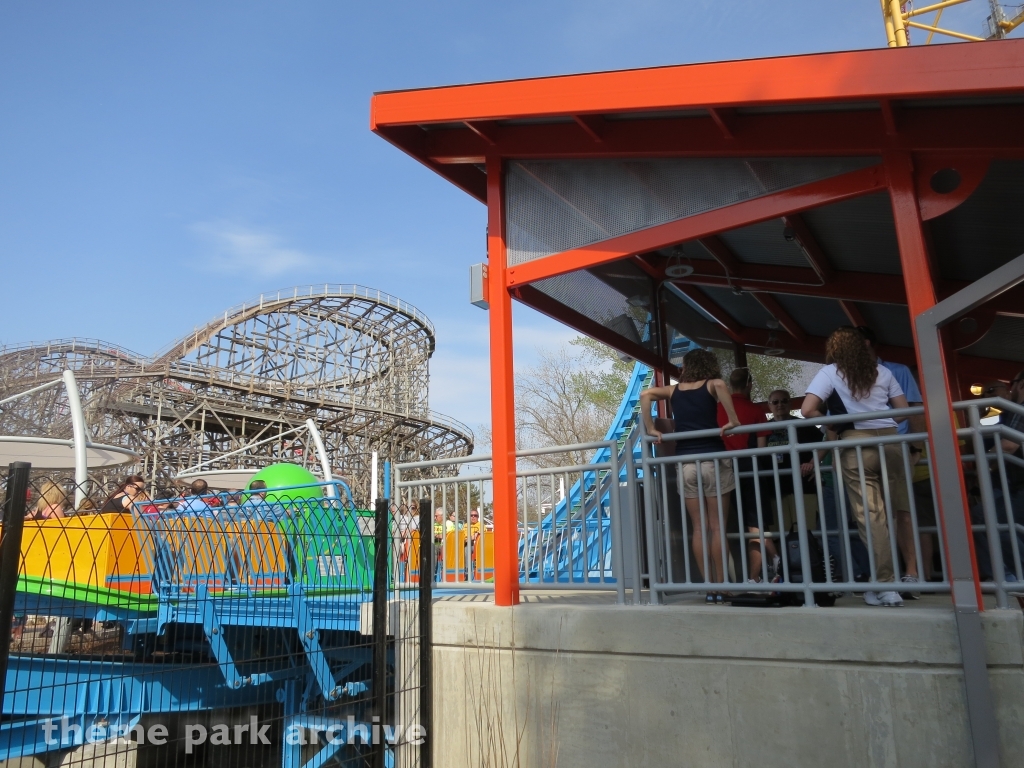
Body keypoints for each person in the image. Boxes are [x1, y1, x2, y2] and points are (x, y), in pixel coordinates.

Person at [802, 326, 912, 607]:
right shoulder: (882, 372)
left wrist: (835, 421)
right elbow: (902, 409)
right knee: (894, 514)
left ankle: (886, 585)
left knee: (870, 516)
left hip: (856, 443)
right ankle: (904, 579)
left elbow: (807, 409)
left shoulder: (830, 372)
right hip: (890, 442)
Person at [641, 348, 740, 602]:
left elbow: (645, 393)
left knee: (699, 527)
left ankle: (708, 586)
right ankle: (722, 585)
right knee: (717, 526)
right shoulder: (712, 384)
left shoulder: (674, 391)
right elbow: (719, 385)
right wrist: (731, 420)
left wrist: (651, 427)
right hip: (713, 459)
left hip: (686, 463)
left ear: (687, 367)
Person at [858, 326, 928, 596]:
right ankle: (889, 578)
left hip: (896, 447)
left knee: (902, 512)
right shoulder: (850, 375)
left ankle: (911, 573)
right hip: (866, 448)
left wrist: (915, 446)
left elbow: (914, 410)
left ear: (865, 343)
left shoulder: (897, 370)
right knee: (875, 515)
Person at [715, 368, 774, 581]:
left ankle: (741, 579)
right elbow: (761, 447)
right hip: (750, 470)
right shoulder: (755, 410)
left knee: (721, 526)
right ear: (749, 385)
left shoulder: (718, 408)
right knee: (756, 524)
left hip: (722, 469)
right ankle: (766, 568)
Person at [972, 370, 1024, 583]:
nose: (987, 395)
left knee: (995, 522)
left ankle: (1011, 577)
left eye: (992, 391)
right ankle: (1005, 576)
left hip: (1011, 480)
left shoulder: (1016, 410)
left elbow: (1008, 445)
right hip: (1005, 482)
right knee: (985, 518)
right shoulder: (995, 412)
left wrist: (988, 463)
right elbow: (981, 433)